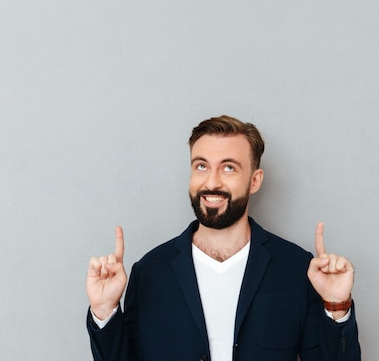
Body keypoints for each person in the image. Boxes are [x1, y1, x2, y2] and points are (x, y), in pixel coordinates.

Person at [86, 115, 361, 361]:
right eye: (201, 166)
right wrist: (104, 311)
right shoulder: (149, 271)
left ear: (255, 180)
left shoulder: (295, 267)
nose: (212, 182)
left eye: (228, 168)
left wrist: (336, 307)